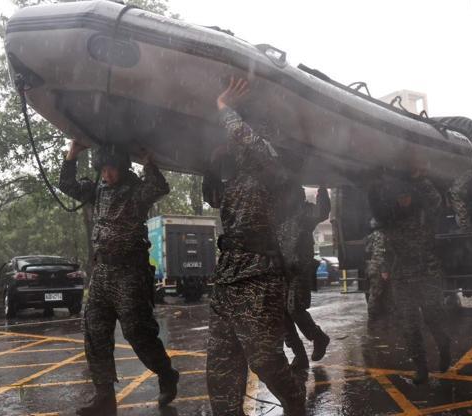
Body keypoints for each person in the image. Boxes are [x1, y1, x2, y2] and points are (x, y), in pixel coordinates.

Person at [204, 77, 306, 416]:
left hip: (259, 275)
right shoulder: (235, 179)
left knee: (264, 359)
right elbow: (211, 193)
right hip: (227, 275)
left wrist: (225, 109)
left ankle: (294, 400)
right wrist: (213, 163)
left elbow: (251, 144)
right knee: (220, 369)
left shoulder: (269, 165)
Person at [59, 143, 179, 416]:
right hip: (102, 272)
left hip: (130, 272)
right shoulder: (96, 190)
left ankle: (166, 373)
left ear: (122, 167)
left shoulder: (136, 190)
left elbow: (159, 188)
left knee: (138, 332)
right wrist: (73, 153)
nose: (106, 175)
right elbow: (66, 184)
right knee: (95, 332)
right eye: (102, 169)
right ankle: (104, 397)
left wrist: (149, 163)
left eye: (111, 169)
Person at [373, 172, 452, 384]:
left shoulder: (425, 213)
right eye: (400, 197)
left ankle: (444, 348)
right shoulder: (392, 219)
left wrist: (420, 178)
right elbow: (384, 245)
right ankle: (421, 369)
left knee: (432, 317)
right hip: (402, 278)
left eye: (406, 196)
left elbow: (436, 199)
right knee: (409, 325)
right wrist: (384, 266)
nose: (403, 200)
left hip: (427, 274)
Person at [276, 183, 331, 370]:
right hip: (282, 271)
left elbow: (322, 212)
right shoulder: (278, 215)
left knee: (294, 308)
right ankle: (299, 356)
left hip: (300, 269)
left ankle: (318, 337)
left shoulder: (303, 212)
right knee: (282, 314)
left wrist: (322, 189)